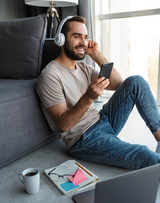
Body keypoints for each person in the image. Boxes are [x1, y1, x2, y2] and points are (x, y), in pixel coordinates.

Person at [36, 15, 160, 170]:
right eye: (76, 36)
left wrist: (96, 54)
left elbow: (118, 83)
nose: (83, 42)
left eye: (85, 37)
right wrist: (88, 97)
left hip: (103, 120)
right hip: (83, 139)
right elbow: (63, 124)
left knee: (136, 81)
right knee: (145, 155)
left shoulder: (83, 68)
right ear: (61, 39)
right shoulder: (50, 76)